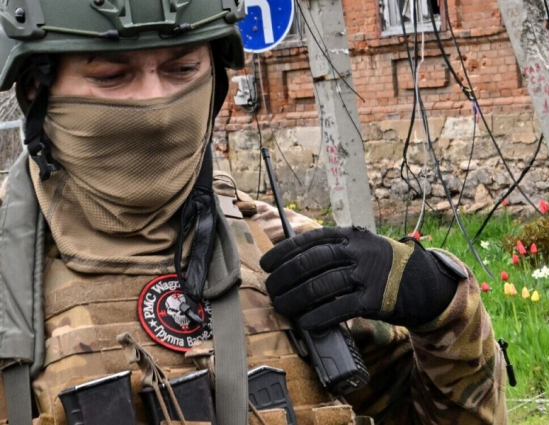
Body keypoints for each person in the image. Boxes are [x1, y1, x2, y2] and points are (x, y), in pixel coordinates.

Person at [0, 1, 507, 424]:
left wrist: (440, 303)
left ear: (215, 81)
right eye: (113, 76)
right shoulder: (10, 284)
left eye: (182, 69)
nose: (156, 105)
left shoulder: (284, 250)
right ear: (37, 91)